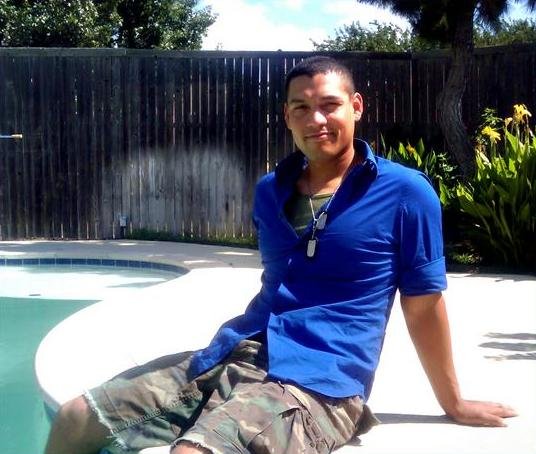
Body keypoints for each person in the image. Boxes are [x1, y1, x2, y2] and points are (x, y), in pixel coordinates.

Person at [45, 56, 516, 454]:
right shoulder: (270, 191)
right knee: (75, 416)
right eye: (301, 108)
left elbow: (424, 304)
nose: (316, 120)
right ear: (287, 117)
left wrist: (452, 402)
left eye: (329, 105)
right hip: (240, 352)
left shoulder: (405, 193)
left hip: (323, 381)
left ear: (355, 107)